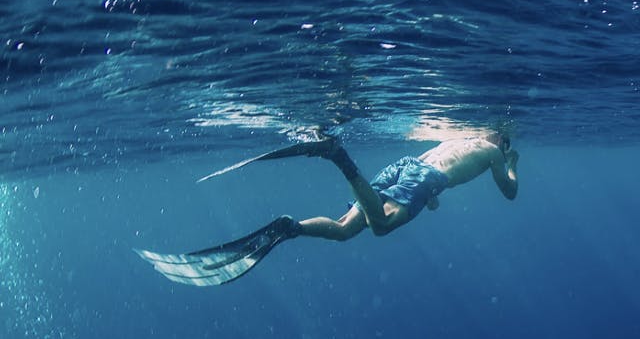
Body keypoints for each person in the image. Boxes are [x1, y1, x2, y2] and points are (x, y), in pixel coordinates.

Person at [136, 130, 519, 287]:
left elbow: (421, 169)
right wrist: (512, 162)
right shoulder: (491, 152)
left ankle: (292, 227)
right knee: (381, 226)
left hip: (409, 166)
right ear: (500, 142)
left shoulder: (458, 139)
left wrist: (429, 195)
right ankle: (339, 158)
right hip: (424, 178)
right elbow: (509, 192)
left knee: (344, 229)